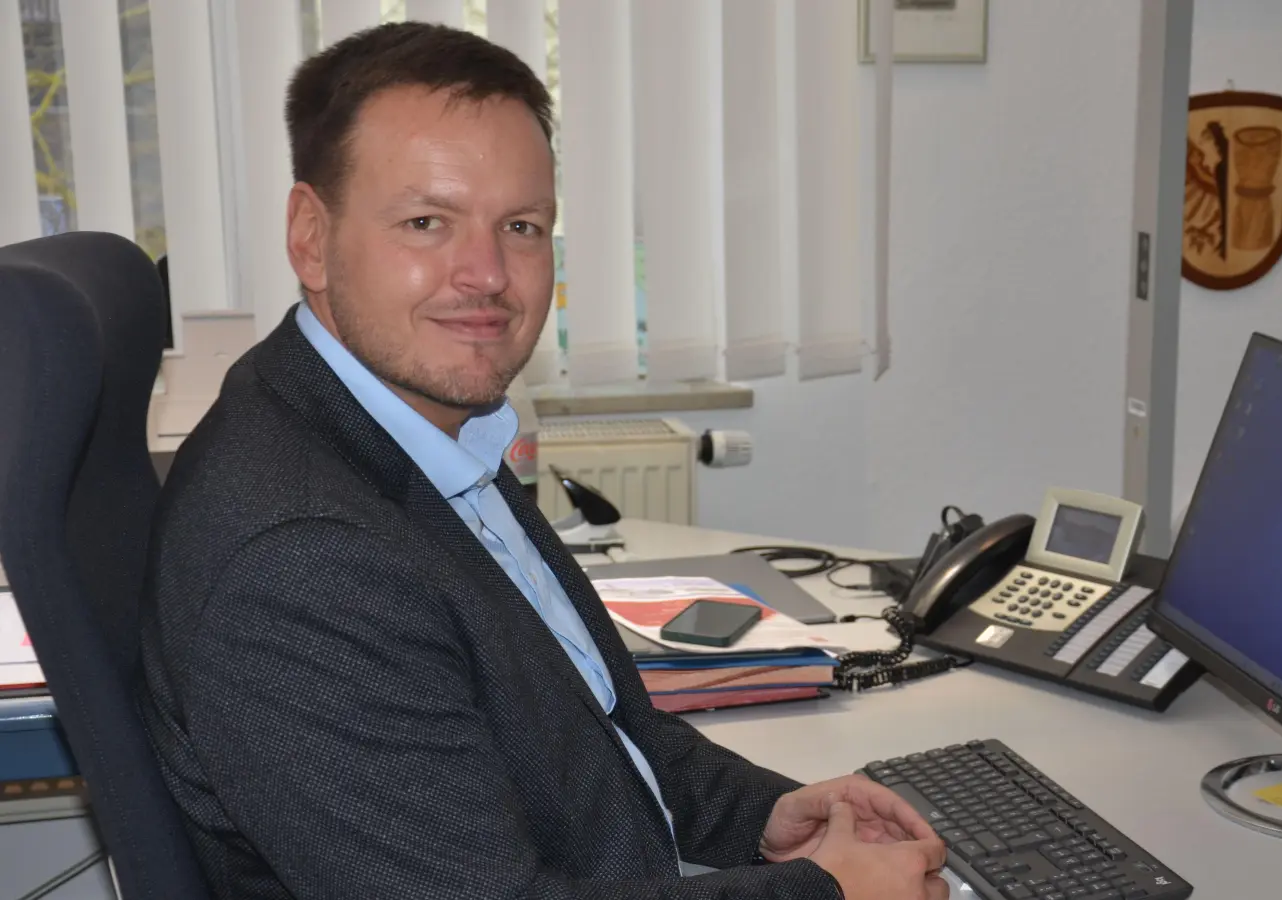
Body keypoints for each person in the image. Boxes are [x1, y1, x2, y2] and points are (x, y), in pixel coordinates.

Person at [135, 21, 948, 900]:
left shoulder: (431, 433)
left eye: (521, 225)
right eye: (426, 222)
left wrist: (758, 816)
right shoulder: (304, 560)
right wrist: (828, 894)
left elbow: (590, 731)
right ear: (309, 237)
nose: (487, 273)